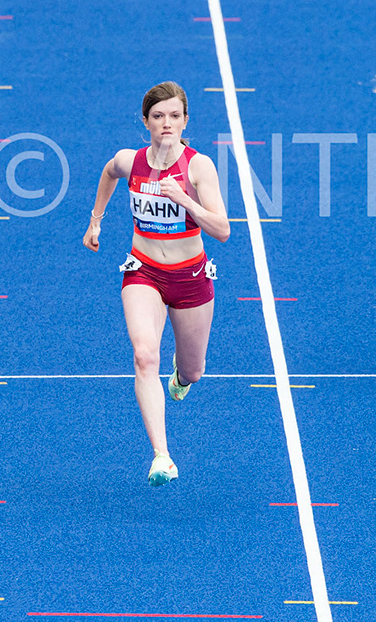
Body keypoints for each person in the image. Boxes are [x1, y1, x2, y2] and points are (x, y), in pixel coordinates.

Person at [82, 82, 230, 486]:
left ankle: (181, 381)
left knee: (193, 369)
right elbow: (109, 173)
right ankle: (162, 456)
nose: (167, 124)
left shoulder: (198, 167)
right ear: (145, 121)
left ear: (186, 121)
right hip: (143, 271)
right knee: (145, 355)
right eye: (158, 116)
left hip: (190, 276)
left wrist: (186, 200)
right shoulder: (130, 161)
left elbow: (223, 230)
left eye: (175, 116)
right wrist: (96, 220)